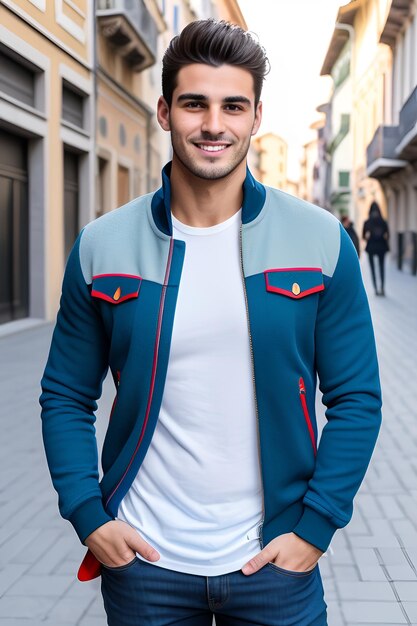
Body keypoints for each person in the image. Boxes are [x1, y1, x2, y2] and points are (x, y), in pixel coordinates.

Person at [40, 19, 382, 626]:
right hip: (144, 561)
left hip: (277, 561)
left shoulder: (320, 240)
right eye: (195, 104)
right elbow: (66, 394)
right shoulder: (102, 245)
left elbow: (357, 399)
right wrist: (88, 516)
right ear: (165, 111)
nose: (214, 125)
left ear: (255, 117)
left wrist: (318, 526)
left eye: (233, 106)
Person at [362, 201, 389, 296]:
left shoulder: (367, 222)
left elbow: (364, 236)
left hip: (371, 247)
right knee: (382, 267)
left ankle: (376, 289)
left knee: (372, 268)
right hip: (382, 246)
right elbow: (387, 235)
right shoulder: (383, 221)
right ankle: (382, 287)